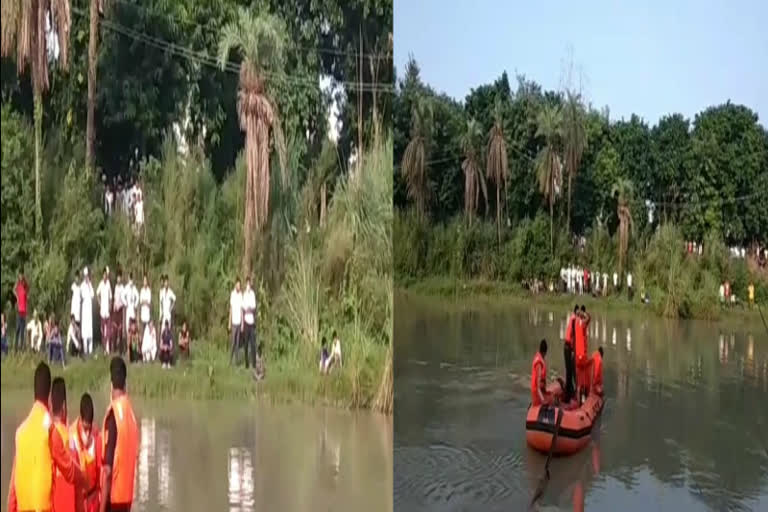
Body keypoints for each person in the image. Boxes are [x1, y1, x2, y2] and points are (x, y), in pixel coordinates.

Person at [6, 362, 86, 512]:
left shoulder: (20, 432)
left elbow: (12, 493)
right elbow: (69, 469)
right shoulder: (49, 431)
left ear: (34, 392)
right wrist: (83, 478)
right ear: (49, 397)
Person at [100, 357, 139, 512]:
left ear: (111, 385)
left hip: (114, 499)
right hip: (127, 499)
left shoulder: (113, 414)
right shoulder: (131, 415)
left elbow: (108, 471)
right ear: (125, 384)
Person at [50, 377, 81, 512]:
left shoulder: (44, 437)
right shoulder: (72, 441)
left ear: (50, 406)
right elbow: (79, 490)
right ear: (64, 407)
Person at [70, 393, 102, 512]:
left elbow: (100, 469)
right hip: (79, 500)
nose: (88, 433)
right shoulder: (71, 436)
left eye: (89, 429)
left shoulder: (96, 433)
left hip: (93, 498)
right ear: (80, 419)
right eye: (85, 428)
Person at [575, 305, 592, 404]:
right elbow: (589, 318)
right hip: (582, 354)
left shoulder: (576, 322)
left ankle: (578, 398)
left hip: (577, 354)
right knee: (584, 377)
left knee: (579, 376)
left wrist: (579, 313)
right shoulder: (582, 323)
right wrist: (584, 313)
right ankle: (583, 398)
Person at [562, 305, 579, 402]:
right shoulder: (573, 320)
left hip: (568, 347)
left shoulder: (573, 319)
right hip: (568, 348)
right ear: (575, 311)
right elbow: (573, 335)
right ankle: (569, 394)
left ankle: (571, 390)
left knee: (571, 370)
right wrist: (573, 351)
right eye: (578, 312)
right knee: (570, 370)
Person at [530, 339, 553, 406]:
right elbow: (537, 386)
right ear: (544, 352)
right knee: (552, 400)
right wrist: (543, 400)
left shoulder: (538, 357)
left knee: (552, 395)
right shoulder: (539, 364)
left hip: (540, 391)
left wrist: (545, 391)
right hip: (537, 394)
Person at [242, 277, 257, 369]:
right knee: (246, 343)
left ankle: (254, 363)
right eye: (247, 283)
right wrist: (247, 309)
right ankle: (247, 363)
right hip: (246, 321)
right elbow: (244, 307)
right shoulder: (244, 295)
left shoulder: (252, 294)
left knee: (253, 343)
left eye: (249, 283)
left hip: (252, 321)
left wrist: (249, 309)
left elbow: (253, 306)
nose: (248, 285)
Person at [97, 269, 113, 354]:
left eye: (106, 275)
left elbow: (110, 297)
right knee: (103, 330)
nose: (105, 276)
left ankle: (107, 348)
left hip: (107, 311)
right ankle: (104, 348)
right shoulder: (101, 284)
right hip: (102, 310)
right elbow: (97, 294)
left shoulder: (109, 284)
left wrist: (110, 306)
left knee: (108, 330)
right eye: (103, 275)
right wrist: (100, 303)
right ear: (102, 275)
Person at [80, 268, 95, 356]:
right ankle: (85, 349)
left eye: (87, 276)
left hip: (89, 309)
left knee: (90, 327)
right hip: (85, 308)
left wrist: (89, 284)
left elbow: (92, 295)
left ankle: (90, 349)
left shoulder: (90, 285)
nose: (86, 278)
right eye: (85, 276)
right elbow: (82, 296)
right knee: (85, 328)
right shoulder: (82, 286)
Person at [229, 279, 243, 366]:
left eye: (239, 285)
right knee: (233, 342)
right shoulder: (233, 294)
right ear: (235, 285)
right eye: (237, 285)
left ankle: (236, 361)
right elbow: (231, 309)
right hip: (234, 321)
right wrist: (229, 322)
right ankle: (230, 360)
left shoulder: (241, 295)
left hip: (239, 321)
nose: (239, 286)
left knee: (238, 342)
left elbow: (242, 310)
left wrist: (242, 324)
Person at [14, 272, 29, 351]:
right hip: (19, 311)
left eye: (22, 278)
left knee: (22, 330)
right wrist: (17, 297)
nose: (21, 280)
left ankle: (21, 348)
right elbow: (14, 289)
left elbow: (27, 288)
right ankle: (16, 347)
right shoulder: (18, 286)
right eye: (20, 278)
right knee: (17, 329)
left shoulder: (25, 289)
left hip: (24, 312)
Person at [113, 274, 126, 354]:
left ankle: (121, 349)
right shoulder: (115, 287)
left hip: (120, 309)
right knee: (114, 330)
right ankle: (114, 348)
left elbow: (123, 300)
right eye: (117, 279)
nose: (118, 280)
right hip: (115, 310)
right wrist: (115, 306)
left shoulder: (122, 288)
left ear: (120, 279)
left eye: (119, 278)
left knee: (120, 330)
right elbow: (115, 298)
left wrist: (120, 305)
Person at [123, 274, 139, 339]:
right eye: (130, 279)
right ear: (128, 279)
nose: (131, 281)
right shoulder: (126, 287)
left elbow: (138, 296)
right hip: (128, 307)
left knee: (133, 325)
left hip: (132, 308)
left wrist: (135, 304)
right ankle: (128, 340)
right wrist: (125, 303)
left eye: (131, 279)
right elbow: (122, 296)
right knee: (127, 325)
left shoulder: (134, 288)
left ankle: (133, 340)